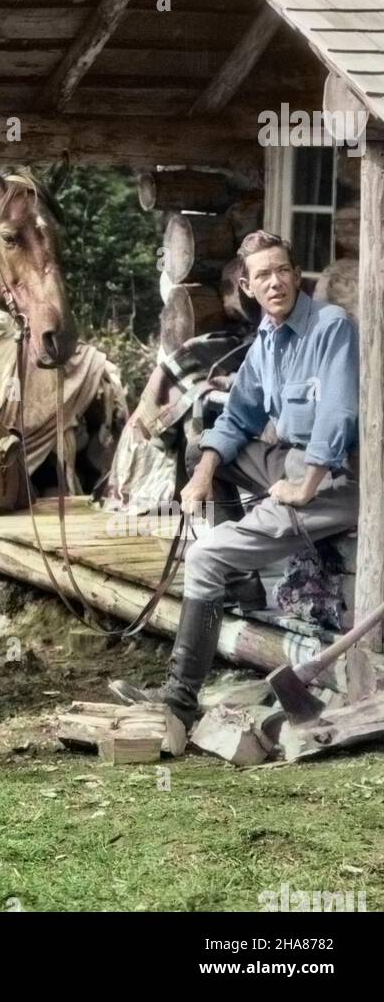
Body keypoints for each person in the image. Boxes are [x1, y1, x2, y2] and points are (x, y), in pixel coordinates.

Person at [110, 229, 359, 727]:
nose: (276, 283)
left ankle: (179, 698)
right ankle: (243, 584)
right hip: (287, 462)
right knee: (205, 442)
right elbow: (237, 417)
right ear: (246, 287)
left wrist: (304, 488)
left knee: (202, 557)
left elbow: (337, 415)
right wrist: (202, 475)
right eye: (262, 275)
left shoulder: (331, 326)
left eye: (283, 270)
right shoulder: (267, 337)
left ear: (297, 274)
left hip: (336, 481)